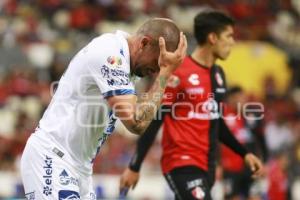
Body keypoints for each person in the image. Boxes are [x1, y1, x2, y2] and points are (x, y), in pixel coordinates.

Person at [20, 18, 187, 199]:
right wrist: (165, 74)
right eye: (157, 62)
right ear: (144, 43)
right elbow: (136, 122)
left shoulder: (128, 62)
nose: (156, 70)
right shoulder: (110, 55)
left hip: (80, 168)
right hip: (52, 157)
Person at [119, 10, 264, 200]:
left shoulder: (219, 75)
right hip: (181, 164)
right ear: (212, 38)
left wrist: (244, 153)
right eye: (228, 36)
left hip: (207, 166)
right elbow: (156, 119)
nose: (232, 42)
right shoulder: (180, 71)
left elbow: (216, 121)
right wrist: (134, 166)